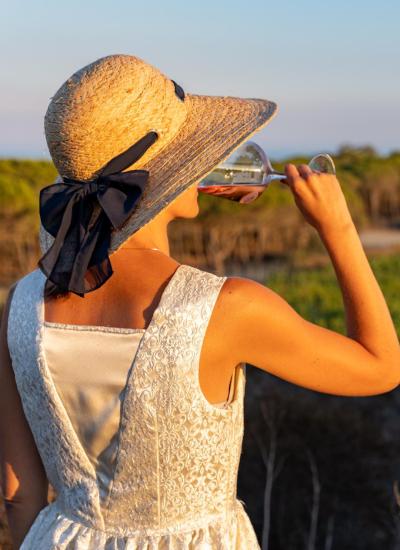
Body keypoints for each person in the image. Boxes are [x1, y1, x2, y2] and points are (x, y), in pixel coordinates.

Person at [0, 54, 399, 550]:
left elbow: (18, 495)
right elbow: (380, 367)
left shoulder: (21, 303)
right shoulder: (223, 308)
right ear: (170, 171)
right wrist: (337, 228)